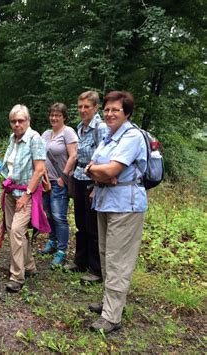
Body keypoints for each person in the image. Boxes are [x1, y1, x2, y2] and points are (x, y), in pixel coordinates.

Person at [84, 91, 148, 334]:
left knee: (117, 259)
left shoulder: (131, 136)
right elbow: (94, 166)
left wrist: (101, 171)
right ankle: (110, 303)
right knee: (105, 254)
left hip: (125, 205)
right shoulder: (110, 136)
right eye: (107, 109)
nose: (109, 114)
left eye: (115, 110)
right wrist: (97, 171)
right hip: (104, 200)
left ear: (127, 113)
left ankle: (112, 316)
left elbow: (111, 170)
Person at [1, 104, 49, 293]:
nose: (17, 124)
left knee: (17, 232)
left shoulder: (34, 139)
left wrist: (27, 194)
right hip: (11, 192)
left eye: (21, 120)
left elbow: (39, 169)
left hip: (26, 193)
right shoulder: (13, 138)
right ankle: (29, 266)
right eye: (13, 121)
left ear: (28, 121)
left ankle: (17, 277)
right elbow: (11, 166)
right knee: (13, 229)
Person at [65, 90, 109, 284]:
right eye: (80, 106)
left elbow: (104, 155)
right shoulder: (80, 127)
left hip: (93, 180)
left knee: (92, 226)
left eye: (87, 107)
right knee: (80, 223)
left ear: (96, 107)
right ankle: (80, 261)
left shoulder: (100, 127)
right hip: (79, 177)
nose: (83, 110)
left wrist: (96, 184)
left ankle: (96, 269)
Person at [38, 103, 78, 268]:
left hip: (59, 181)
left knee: (59, 216)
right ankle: (52, 242)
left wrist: (63, 177)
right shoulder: (46, 134)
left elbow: (74, 155)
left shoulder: (68, 132)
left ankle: (62, 251)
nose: (54, 118)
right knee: (48, 213)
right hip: (46, 181)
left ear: (64, 117)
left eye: (58, 115)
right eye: (52, 115)